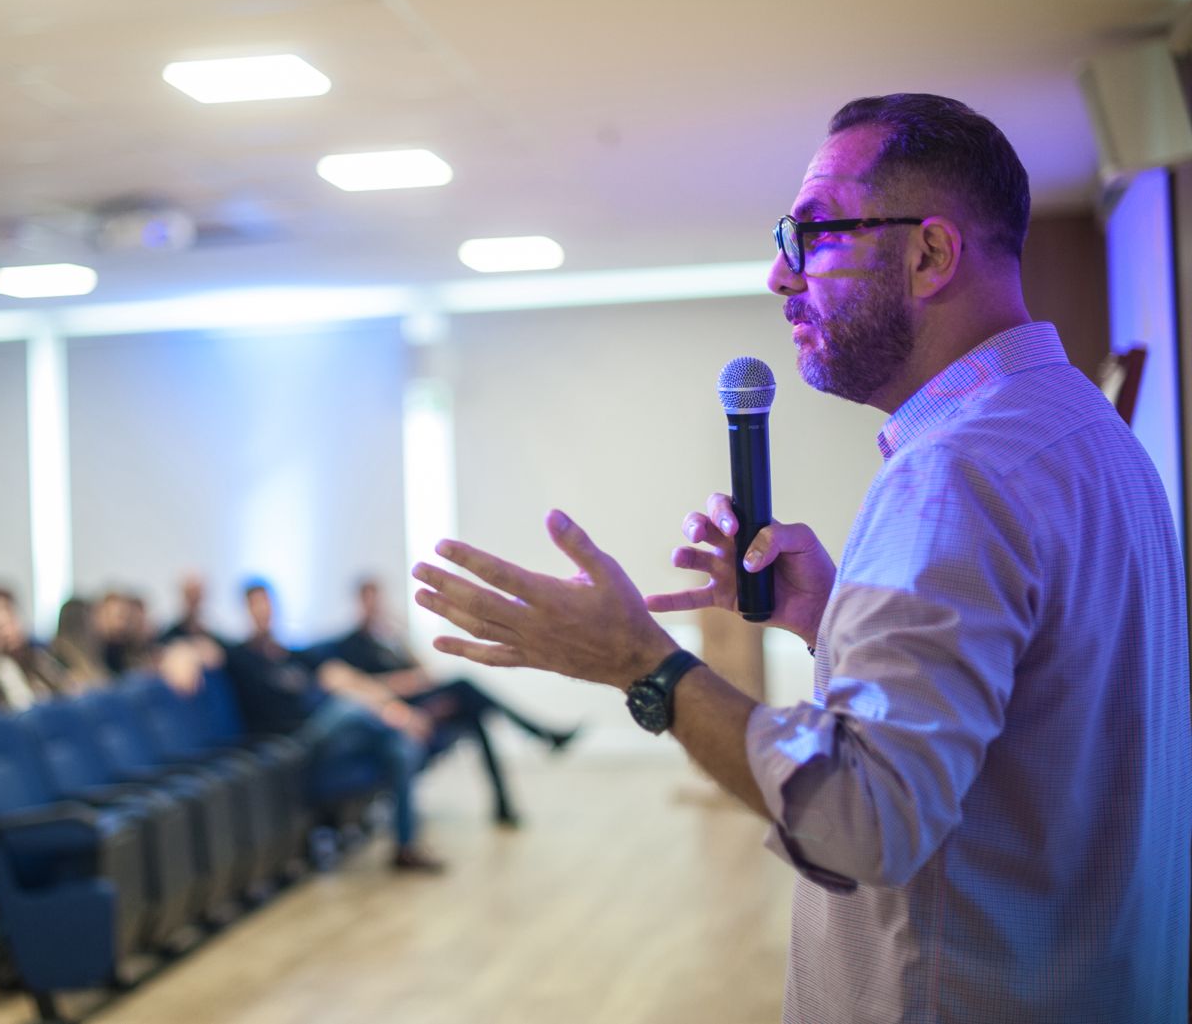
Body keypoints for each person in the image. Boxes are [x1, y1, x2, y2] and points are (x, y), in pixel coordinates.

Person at [411, 93, 1190, 1022]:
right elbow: (1038, 711)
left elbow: (865, 818)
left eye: (813, 234)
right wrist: (833, 618)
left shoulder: (956, 473)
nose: (781, 274)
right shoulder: (1088, 428)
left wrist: (643, 664)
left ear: (930, 254)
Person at [225, 581, 444, 873]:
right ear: (247, 610)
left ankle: (405, 847)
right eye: (256, 604)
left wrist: (387, 695)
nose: (263, 610)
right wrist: (401, 714)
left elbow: (338, 676)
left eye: (267, 603)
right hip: (295, 738)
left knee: (399, 749)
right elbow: (191, 646)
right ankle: (402, 722)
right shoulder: (239, 656)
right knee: (348, 708)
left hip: (330, 733)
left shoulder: (291, 654)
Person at [327, 578, 577, 827]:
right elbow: (365, 686)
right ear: (359, 602)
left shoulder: (389, 642)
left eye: (379, 598)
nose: (376, 605)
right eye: (369, 599)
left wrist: (401, 636)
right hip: (402, 708)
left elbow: (426, 672)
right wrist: (408, 681)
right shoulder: (350, 644)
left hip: (424, 697)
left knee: (475, 715)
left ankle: (504, 801)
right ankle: (538, 733)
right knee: (464, 685)